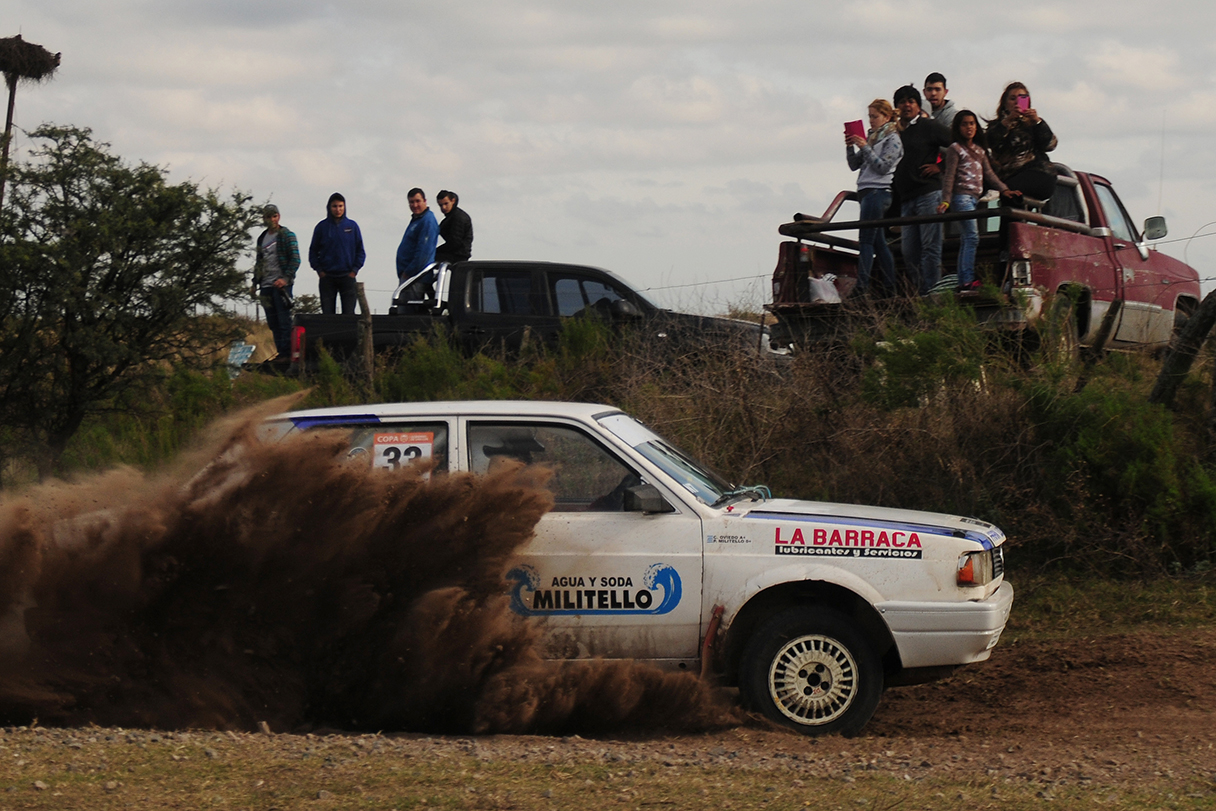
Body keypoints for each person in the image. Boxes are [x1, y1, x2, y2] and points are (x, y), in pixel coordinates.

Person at [936, 110, 1020, 290]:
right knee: (972, 237)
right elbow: (949, 175)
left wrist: (1004, 190)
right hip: (961, 197)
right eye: (965, 124)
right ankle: (966, 279)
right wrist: (946, 200)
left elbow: (989, 174)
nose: (969, 127)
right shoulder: (955, 149)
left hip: (975, 198)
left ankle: (963, 281)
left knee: (968, 238)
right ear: (958, 128)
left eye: (972, 124)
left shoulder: (980, 151)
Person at [892, 85, 953, 295]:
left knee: (930, 248)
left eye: (911, 101)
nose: (907, 105)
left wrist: (941, 166)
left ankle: (932, 295)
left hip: (928, 193)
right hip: (906, 198)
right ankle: (921, 294)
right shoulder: (894, 132)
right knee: (909, 251)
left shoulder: (929, 126)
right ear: (896, 107)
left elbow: (959, 144)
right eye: (902, 101)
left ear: (919, 105)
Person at [845, 99, 903, 296]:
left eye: (874, 116)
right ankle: (889, 286)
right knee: (878, 242)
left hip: (878, 191)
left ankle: (861, 287)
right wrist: (851, 146)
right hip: (867, 191)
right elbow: (854, 165)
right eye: (869, 116)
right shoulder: (872, 138)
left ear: (886, 117)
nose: (871, 121)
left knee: (866, 240)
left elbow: (882, 167)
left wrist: (865, 148)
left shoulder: (892, 139)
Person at [986, 82, 1058, 202]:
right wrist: (1008, 121)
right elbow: (989, 142)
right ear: (1004, 103)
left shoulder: (1033, 124)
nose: (1016, 102)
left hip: (1038, 173)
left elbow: (1050, 145)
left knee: (1009, 192)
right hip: (1010, 176)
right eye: (1012, 98)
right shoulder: (997, 125)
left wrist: (1038, 123)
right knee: (1010, 194)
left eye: (1021, 98)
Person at [252, 204, 300, 356]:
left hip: (281, 286)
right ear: (264, 219)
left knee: (284, 321)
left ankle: (288, 354)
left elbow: (295, 260)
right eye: (268, 216)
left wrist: (285, 279)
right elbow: (259, 262)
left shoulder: (287, 235)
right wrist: (254, 283)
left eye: (274, 216)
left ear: (278, 217)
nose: (272, 219)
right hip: (265, 285)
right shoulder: (262, 238)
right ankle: (280, 352)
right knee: (273, 323)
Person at [308, 192, 365, 315]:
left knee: (349, 315)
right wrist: (319, 270)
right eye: (334, 206)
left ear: (344, 207)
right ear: (329, 207)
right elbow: (313, 251)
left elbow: (360, 251)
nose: (338, 209)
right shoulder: (321, 227)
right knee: (328, 315)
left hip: (347, 277)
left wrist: (354, 271)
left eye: (340, 206)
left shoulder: (352, 226)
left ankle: (349, 335)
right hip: (327, 278)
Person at [395, 188, 439, 281]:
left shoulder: (427, 221)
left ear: (425, 201)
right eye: (411, 202)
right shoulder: (417, 220)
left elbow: (424, 252)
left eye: (418, 201)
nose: (415, 205)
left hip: (416, 277)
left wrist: (409, 272)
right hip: (409, 275)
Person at [434, 189, 474, 264]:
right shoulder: (452, 217)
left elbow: (455, 243)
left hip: (458, 256)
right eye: (441, 205)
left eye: (446, 204)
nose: (443, 208)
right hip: (457, 254)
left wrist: (435, 250)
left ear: (453, 201)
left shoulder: (458, 217)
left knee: (426, 259)